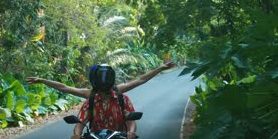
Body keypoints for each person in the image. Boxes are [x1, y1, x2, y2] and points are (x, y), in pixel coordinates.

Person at [25, 62, 176, 98]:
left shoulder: (89, 93)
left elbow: (64, 87)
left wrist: (160, 68)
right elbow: (140, 80)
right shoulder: (92, 94)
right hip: (96, 137)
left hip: (118, 136)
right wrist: (43, 80)